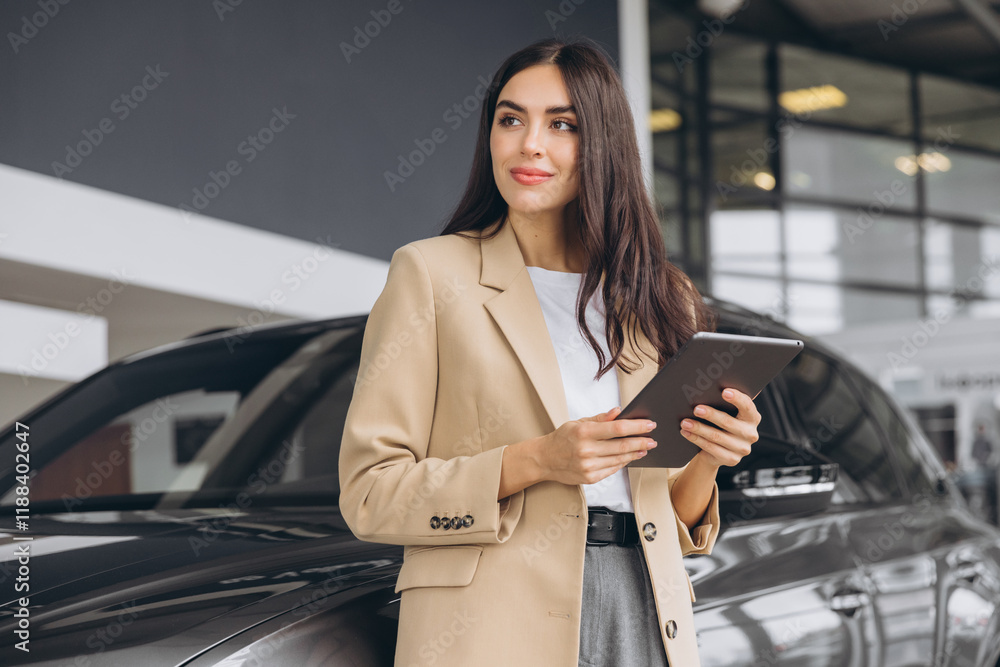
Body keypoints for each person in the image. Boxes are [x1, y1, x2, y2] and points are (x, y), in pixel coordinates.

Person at [338, 37, 760, 667]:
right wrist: (537, 460)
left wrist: (708, 459)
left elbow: (669, 514)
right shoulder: (431, 273)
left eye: (562, 125)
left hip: (644, 609)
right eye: (511, 119)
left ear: (603, 146)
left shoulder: (659, 295)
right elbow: (370, 493)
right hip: (489, 625)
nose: (529, 143)